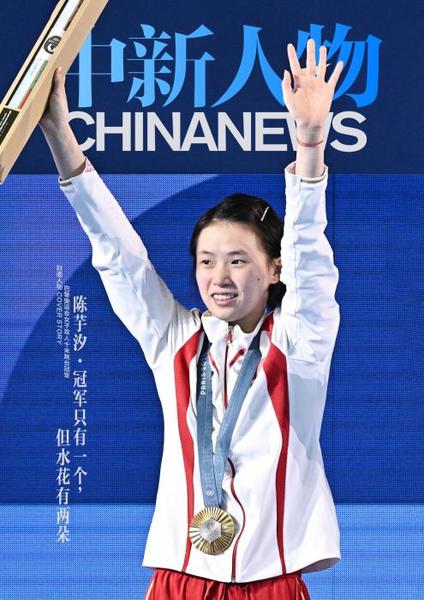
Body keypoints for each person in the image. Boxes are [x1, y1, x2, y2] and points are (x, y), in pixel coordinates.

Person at [40, 39, 343, 600]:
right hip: (179, 579)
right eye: (206, 261)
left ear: (275, 269)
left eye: (238, 260)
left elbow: (309, 248)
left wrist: (309, 142)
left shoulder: (300, 341)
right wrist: (60, 135)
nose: (219, 276)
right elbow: (119, 255)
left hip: (272, 581)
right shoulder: (174, 339)